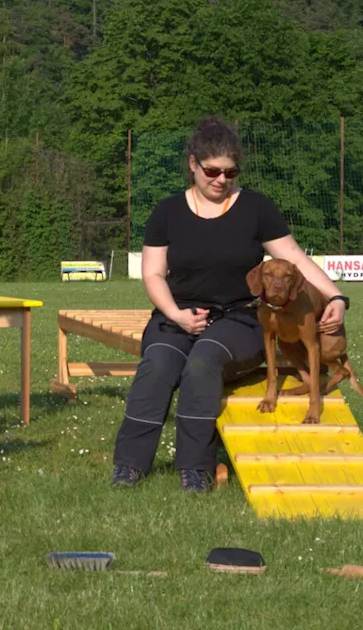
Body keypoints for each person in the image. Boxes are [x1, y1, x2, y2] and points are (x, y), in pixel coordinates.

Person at [111, 118, 349, 493]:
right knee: (157, 364)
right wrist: (175, 315)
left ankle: (196, 469)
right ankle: (128, 466)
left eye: (230, 172)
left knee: (204, 361)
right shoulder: (167, 212)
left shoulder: (257, 208)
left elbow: (296, 259)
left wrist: (335, 297)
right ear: (193, 164)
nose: (221, 180)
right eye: (212, 171)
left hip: (239, 319)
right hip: (177, 314)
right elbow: (154, 274)